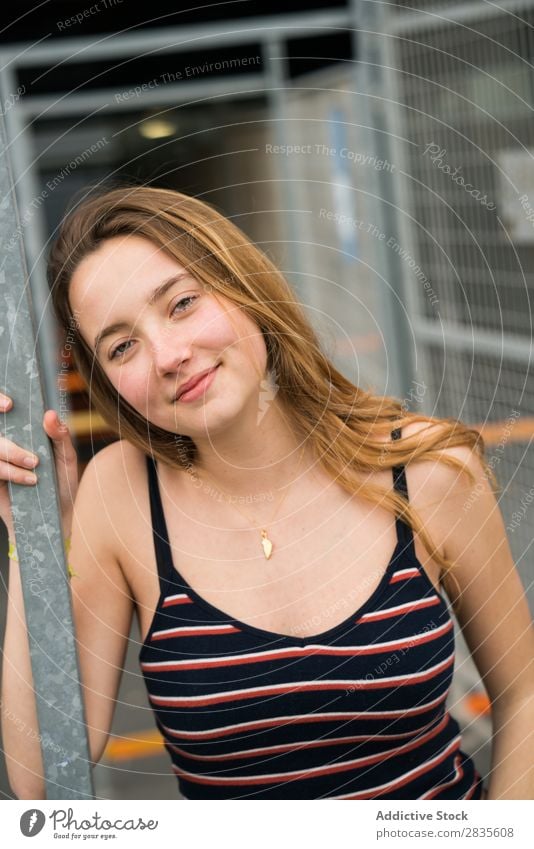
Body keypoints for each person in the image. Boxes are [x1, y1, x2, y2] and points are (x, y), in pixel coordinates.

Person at [1, 185, 532, 801]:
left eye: (182, 303)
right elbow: (40, 777)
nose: (170, 355)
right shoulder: (120, 495)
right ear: (107, 383)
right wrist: (34, 543)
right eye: (122, 347)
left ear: (243, 285)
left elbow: (521, 695)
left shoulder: (427, 468)